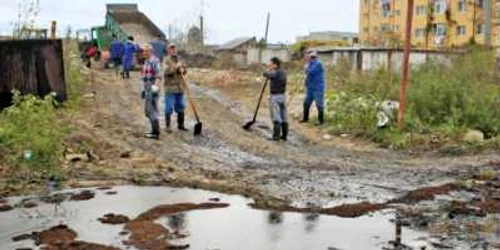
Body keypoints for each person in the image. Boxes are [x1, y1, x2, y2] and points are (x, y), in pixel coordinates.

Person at [163, 44, 188, 132]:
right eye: (171, 49)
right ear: (168, 50)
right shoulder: (166, 60)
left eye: (174, 48)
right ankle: (168, 126)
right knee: (169, 107)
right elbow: (166, 72)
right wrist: (176, 67)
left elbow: (185, 70)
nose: (173, 50)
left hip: (180, 87)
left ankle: (181, 125)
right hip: (170, 88)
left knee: (181, 106)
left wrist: (183, 70)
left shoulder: (180, 59)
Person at [140, 44, 162, 139]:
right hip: (147, 89)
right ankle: (154, 131)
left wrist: (155, 87)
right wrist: (143, 90)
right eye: (144, 51)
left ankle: (155, 132)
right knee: (148, 111)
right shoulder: (146, 62)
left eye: (146, 51)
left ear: (151, 51)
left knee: (151, 110)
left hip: (153, 89)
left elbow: (159, 75)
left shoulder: (155, 61)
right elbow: (144, 77)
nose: (144, 53)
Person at [263, 57, 288, 141]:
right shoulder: (283, 72)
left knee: (276, 116)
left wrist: (268, 69)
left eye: (271, 63)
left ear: (275, 64)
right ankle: (284, 135)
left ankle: (276, 136)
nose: (269, 64)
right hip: (283, 96)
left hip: (275, 97)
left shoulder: (275, 72)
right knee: (284, 115)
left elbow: (265, 74)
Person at [301, 49, 326, 125]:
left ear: (311, 56)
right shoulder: (310, 63)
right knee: (306, 103)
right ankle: (305, 118)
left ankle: (321, 121)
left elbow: (311, 72)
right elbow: (308, 75)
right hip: (310, 88)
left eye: (307, 56)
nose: (306, 57)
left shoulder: (318, 63)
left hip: (318, 88)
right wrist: (306, 82)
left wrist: (306, 67)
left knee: (319, 104)